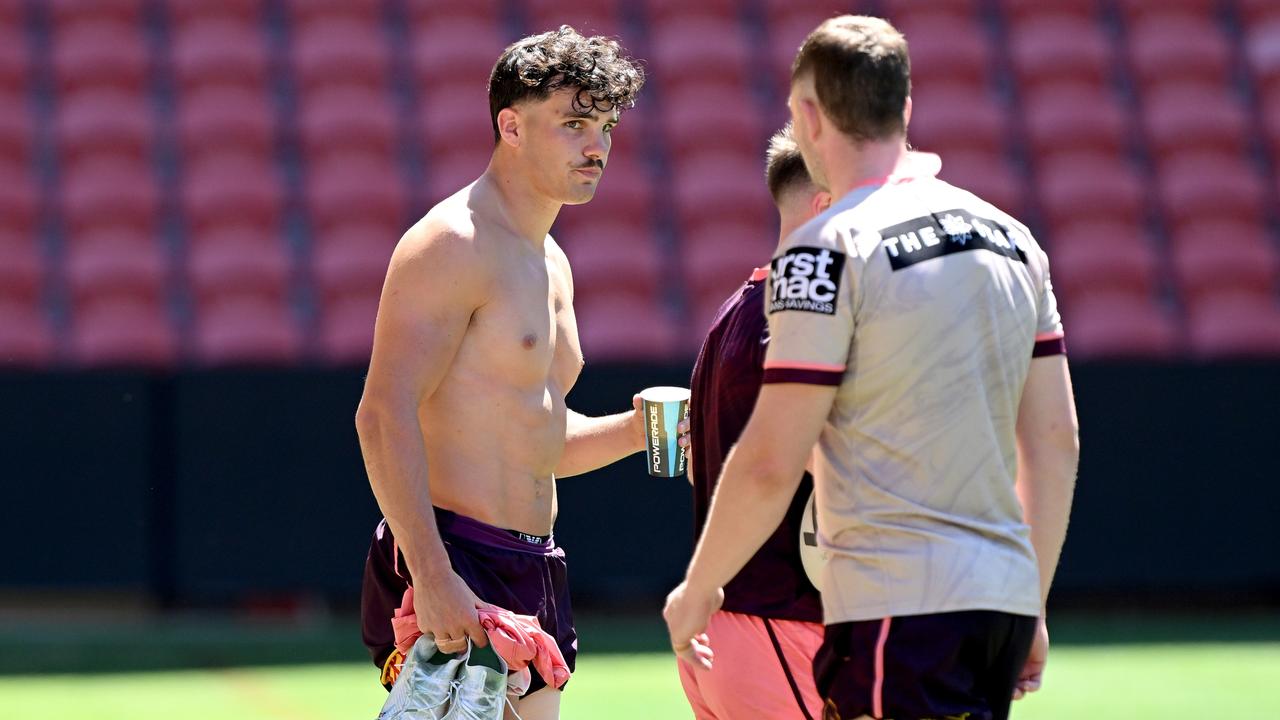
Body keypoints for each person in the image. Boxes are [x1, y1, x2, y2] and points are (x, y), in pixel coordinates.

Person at [664, 15, 1079, 720]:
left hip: (898, 605)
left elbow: (771, 457)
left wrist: (698, 586)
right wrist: (1031, 601)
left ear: (806, 116)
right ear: (905, 111)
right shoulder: (1015, 241)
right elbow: (1055, 440)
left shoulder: (823, 247)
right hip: (1000, 603)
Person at [354, 26, 646, 720]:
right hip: (455, 558)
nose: (597, 146)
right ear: (510, 126)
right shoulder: (454, 241)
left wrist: (640, 430)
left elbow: (537, 442)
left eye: (604, 126)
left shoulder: (550, 260)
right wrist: (432, 574)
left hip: (534, 564)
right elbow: (381, 412)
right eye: (574, 124)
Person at [678, 125, 832, 720]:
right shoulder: (797, 321)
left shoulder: (733, 314)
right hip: (781, 627)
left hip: (735, 630)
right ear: (825, 205)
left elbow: (704, 471)